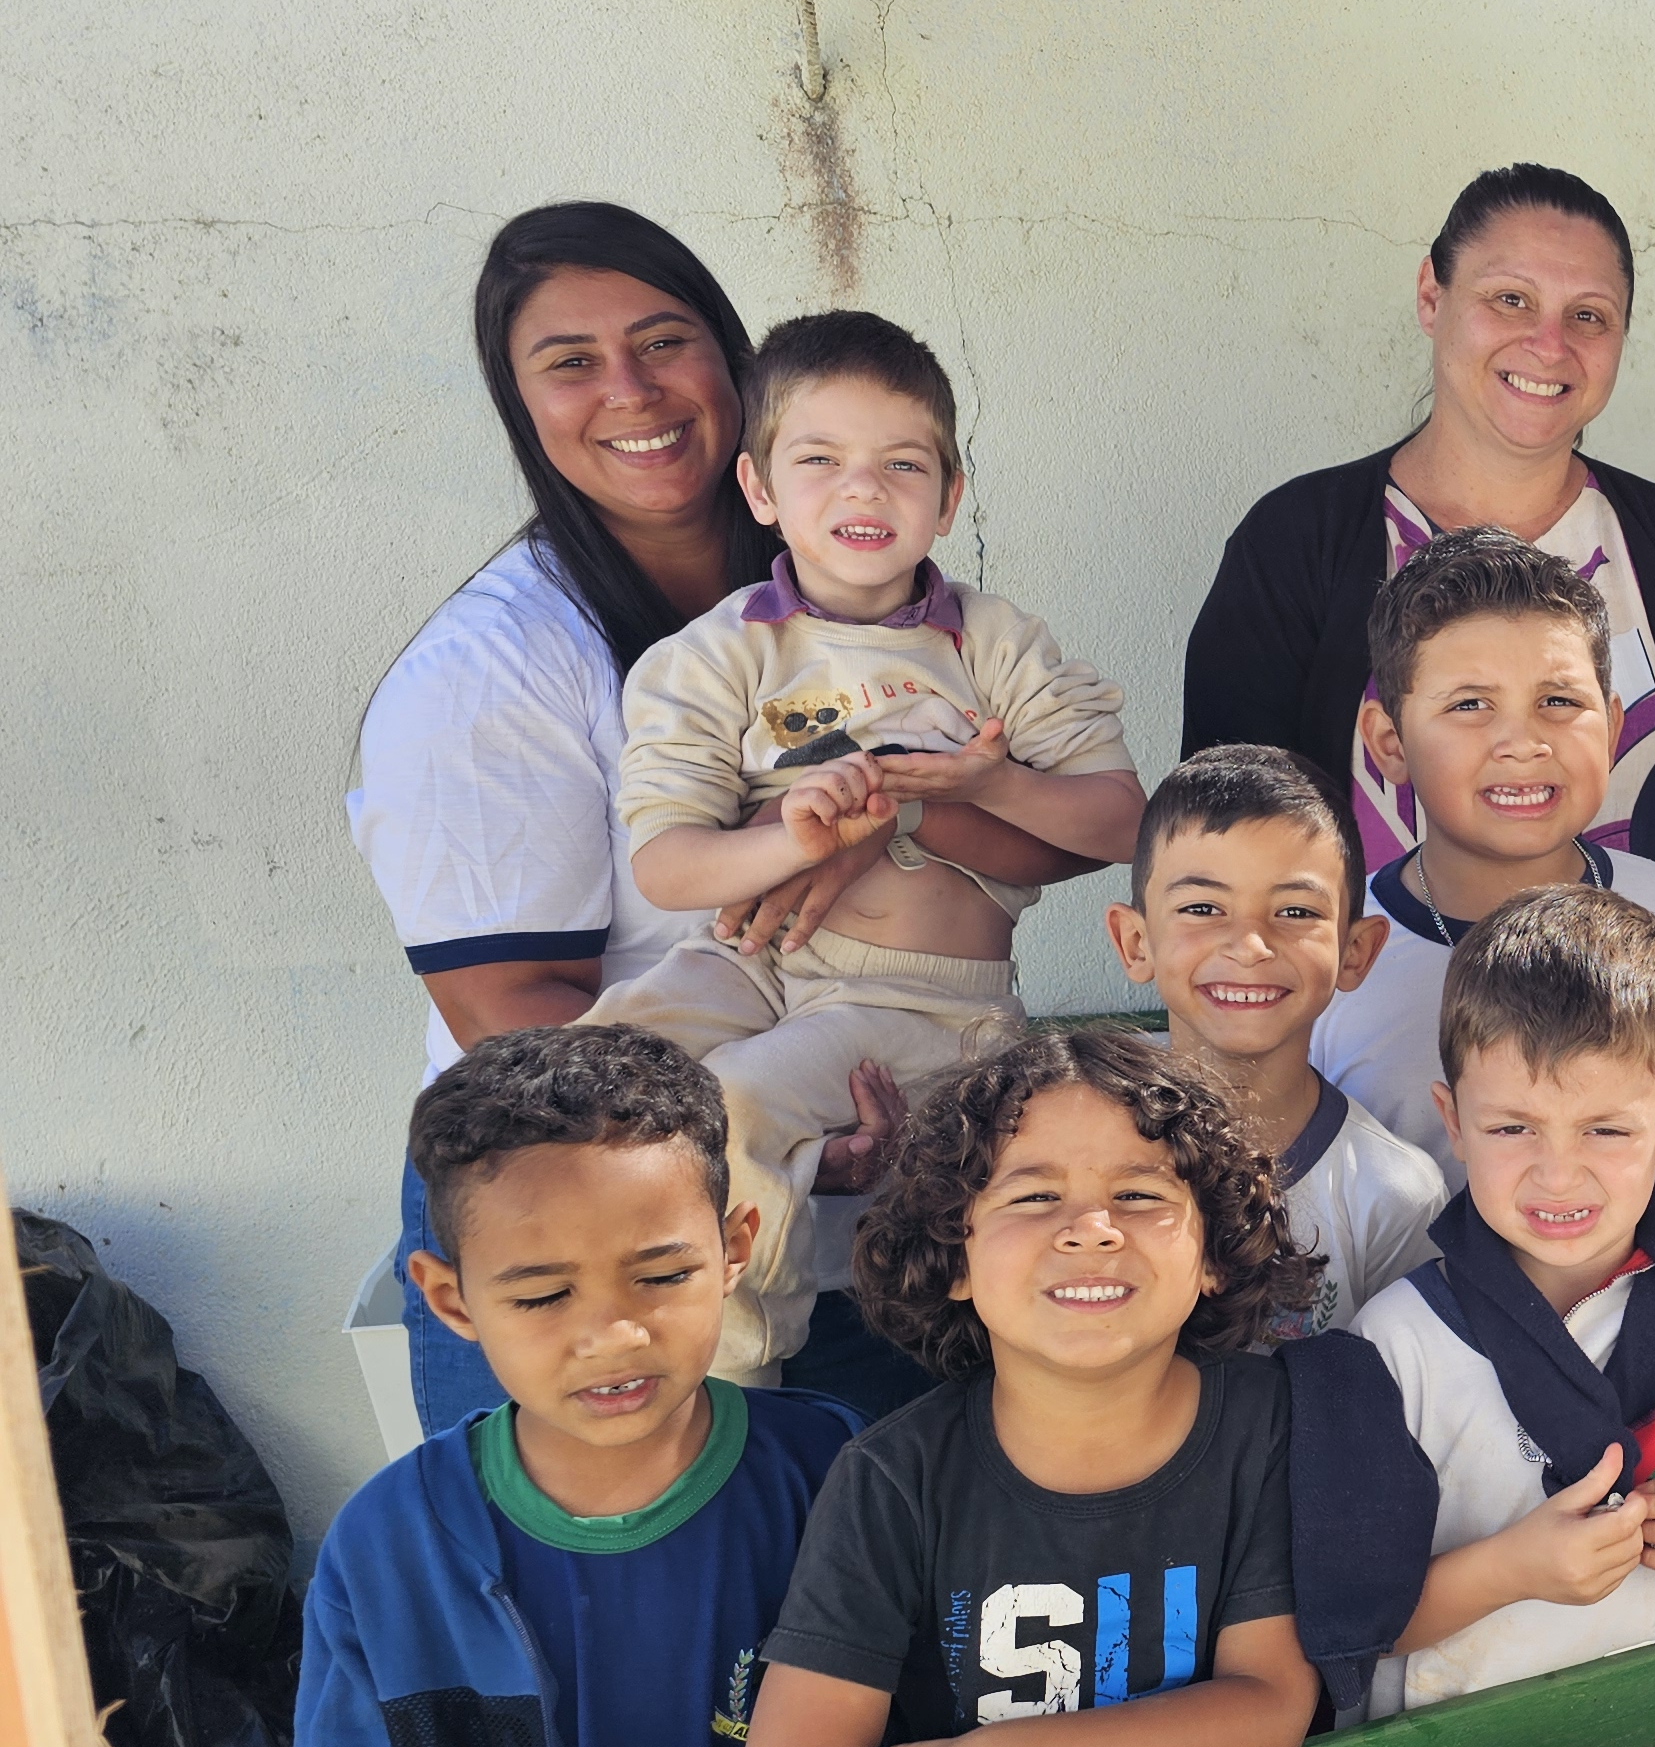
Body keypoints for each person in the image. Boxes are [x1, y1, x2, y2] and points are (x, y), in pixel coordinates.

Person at [352, 205, 1069, 1432]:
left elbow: (1040, 837)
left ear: (738, 374)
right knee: (633, 1596)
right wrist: (750, 1138)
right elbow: (510, 1019)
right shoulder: (490, 671)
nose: (629, 390)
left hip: (843, 1159)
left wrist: (915, 843)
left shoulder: (857, 591)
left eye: (664, 341)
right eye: (570, 361)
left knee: (847, 1594)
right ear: (520, 403)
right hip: (592, 1215)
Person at [289, 1028, 859, 1747]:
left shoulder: (834, 1478)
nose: (612, 1332)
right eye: (542, 1293)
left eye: (659, 1274)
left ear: (737, 1246)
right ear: (448, 1298)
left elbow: (898, 1743)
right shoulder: (387, 1546)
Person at [589, 312, 1147, 1379]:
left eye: (901, 464)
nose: (863, 490)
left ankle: (737, 1389)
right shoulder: (714, 656)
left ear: (949, 494)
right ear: (758, 487)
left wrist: (995, 781)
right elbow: (668, 864)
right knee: (588, 1076)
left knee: (737, 1101)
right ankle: (613, 1339)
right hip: (746, 966)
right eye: (820, 461)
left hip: (924, 999)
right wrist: (790, 840)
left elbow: (1124, 821)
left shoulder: (992, 644)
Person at [743, 1032, 1320, 1747]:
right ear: (956, 1256)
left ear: (1212, 1254)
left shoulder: (1269, 1425)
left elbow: (1268, 1705)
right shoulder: (893, 1478)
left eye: (1138, 1193)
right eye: (1036, 1194)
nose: (1091, 1227)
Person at [1182, 163, 1655, 934]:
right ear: (1430, 296)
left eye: (1589, 316)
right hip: (1367, 1044)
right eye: (1510, 299)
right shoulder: (1296, 543)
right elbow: (1222, 826)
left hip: (1648, 1041)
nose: (1548, 345)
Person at [1319, 888, 1655, 1716]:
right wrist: (1509, 1570)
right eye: (1514, 1128)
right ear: (1452, 1119)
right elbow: (1349, 1621)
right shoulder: (1395, 1345)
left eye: (1606, 1130)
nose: (1558, 1175)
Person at [1306, 529, 1655, 1179]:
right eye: (1470, 704)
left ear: (1611, 729)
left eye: (1558, 701)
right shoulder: (1326, 956)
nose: (1522, 742)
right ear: (1389, 743)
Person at [1105, 745, 1445, 1336]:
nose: (1250, 945)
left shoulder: (1393, 1193)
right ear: (1136, 944)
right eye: (1204, 907)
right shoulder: (1072, 1148)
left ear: (1356, 951)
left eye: (1294, 911)